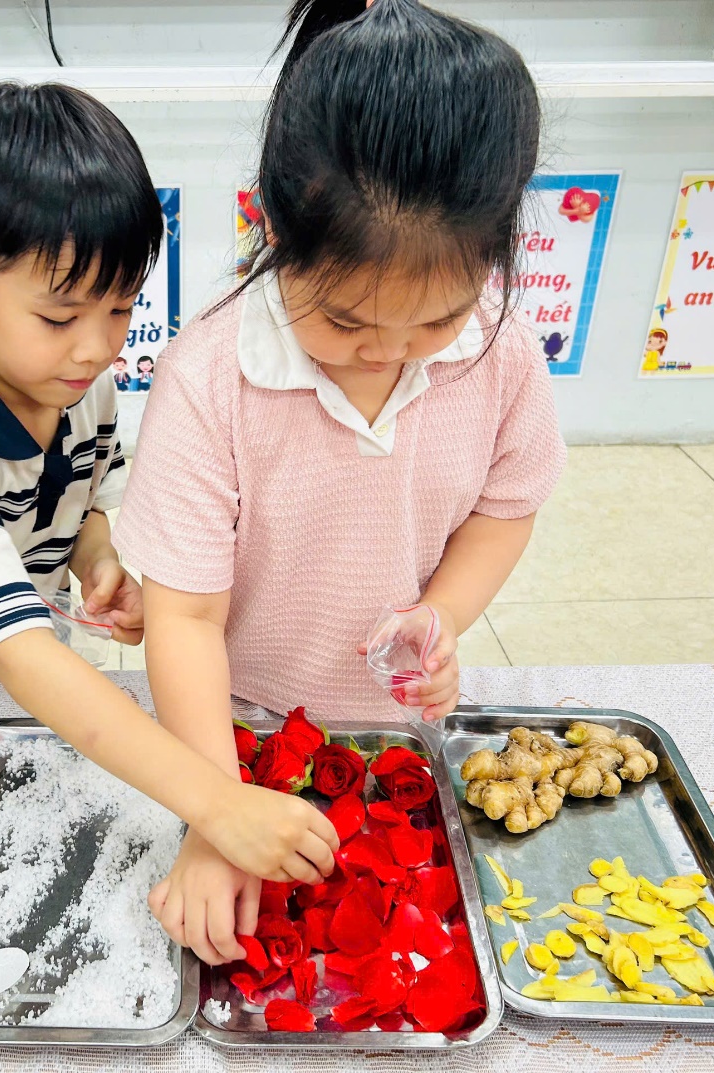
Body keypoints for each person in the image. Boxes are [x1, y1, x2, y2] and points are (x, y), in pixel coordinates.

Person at [114, 0, 566, 964]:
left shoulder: (502, 351)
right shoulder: (211, 377)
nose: (392, 355)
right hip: (228, 728)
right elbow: (184, 621)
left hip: (391, 732)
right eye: (351, 325)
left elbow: (504, 509)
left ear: (493, 257)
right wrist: (215, 810)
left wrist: (438, 616)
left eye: (434, 321)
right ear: (276, 231)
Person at [0, 83, 338, 892]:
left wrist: (96, 557)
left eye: (120, 309)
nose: (95, 348)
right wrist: (219, 804)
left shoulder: (75, 385)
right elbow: (24, 661)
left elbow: (88, 496)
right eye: (59, 317)